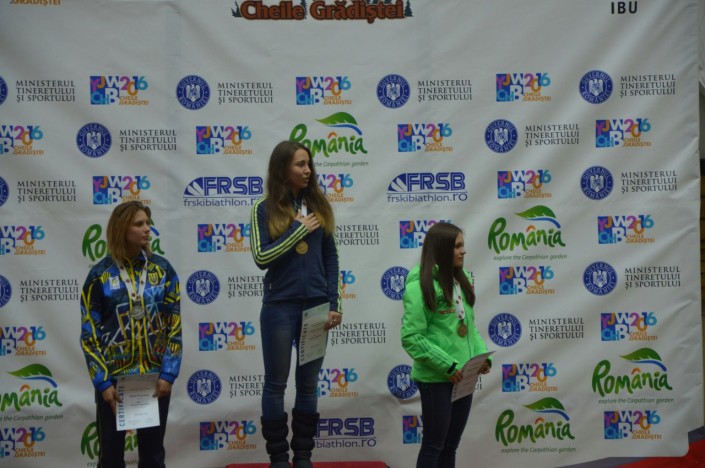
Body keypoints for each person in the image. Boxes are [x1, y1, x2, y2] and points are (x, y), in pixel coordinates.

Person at [250, 140, 342, 468]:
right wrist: (296, 232)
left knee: (308, 385)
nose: (308, 170)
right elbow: (261, 257)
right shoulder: (263, 208)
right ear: (282, 169)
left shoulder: (319, 205)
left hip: (316, 307)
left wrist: (334, 303)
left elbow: (330, 258)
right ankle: (278, 459)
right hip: (279, 307)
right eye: (300, 164)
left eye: (309, 164)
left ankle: (303, 457)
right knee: (276, 384)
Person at [80, 201, 182, 468]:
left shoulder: (163, 270)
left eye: (148, 223)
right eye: (139, 224)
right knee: (111, 458)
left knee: (153, 457)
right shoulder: (99, 275)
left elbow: (174, 325)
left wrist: (168, 373)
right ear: (121, 229)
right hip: (114, 382)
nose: (147, 229)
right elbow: (89, 334)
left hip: (154, 380)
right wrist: (103, 383)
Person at [401, 222, 491, 468]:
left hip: (463, 377)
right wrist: (448, 366)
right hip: (436, 378)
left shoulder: (462, 280)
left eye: (463, 245)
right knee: (434, 447)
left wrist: (482, 358)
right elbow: (411, 337)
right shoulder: (419, 286)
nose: (464, 251)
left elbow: (469, 328)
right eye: (457, 246)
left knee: (450, 447)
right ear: (441, 249)